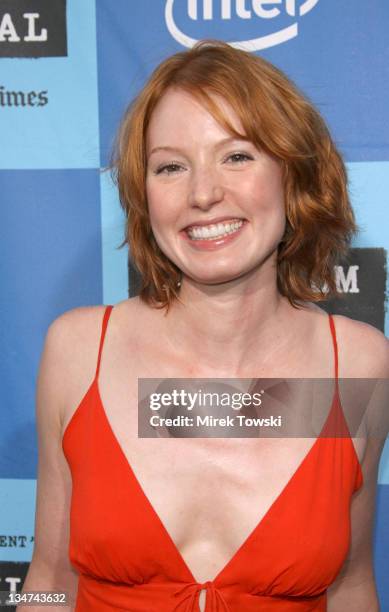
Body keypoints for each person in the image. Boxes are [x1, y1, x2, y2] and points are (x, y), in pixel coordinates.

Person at [20, 39, 388, 611]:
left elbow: (351, 583)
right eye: (170, 166)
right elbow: (47, 577)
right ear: (144, 196)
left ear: (293, 174)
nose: (203, 193)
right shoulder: (78, 351)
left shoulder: (359, 364)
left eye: (236, 156)